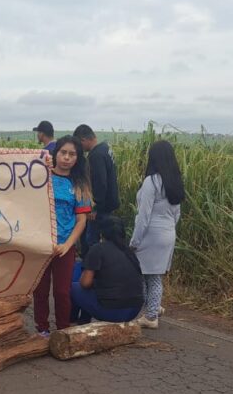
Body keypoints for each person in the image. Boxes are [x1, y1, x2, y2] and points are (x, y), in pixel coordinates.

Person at [32, 135, 91, 336]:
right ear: (55, 154)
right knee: (39, 291)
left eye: (72, 154)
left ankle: (63, 330)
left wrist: (67, 245)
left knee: (62, 292)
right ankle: (42, 329)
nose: (67, 157)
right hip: (41, 243)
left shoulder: (79, 185)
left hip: (66, 244)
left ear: (78, 158)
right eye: (63, 152)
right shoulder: (42, 177)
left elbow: (81, 221)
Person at [130, 139, 185, 329]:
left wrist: (135, 241)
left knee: (147, 276)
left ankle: (151, 316)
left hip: (151, 234)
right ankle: (154, 306)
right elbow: (177, 213)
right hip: (168, 232)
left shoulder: (151, 181)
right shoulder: (174, 181)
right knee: (155, 274)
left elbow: (143, 215)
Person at [70, 216, 144, 324]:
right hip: (134, 310)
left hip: (111, 311)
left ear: (101, 233)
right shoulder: (129, 252)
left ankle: (73, 319)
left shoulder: (97, 249)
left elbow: (85, 283)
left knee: (72, 286)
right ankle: (83, 320)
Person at [73, 124, 119, 252]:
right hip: (109, 203)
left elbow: (100, 182)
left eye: (79, 145)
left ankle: (92, 268)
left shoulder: (95, 155)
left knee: (91, 241)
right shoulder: (105, 148)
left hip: (100, 207)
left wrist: (94, 207)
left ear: (83, 140)